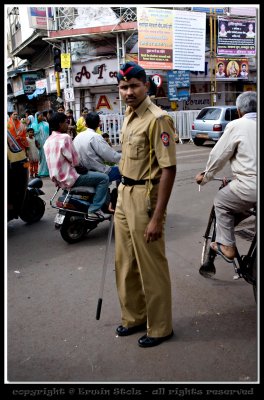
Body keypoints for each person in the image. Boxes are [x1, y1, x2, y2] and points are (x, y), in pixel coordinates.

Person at [114, 61, 176, 348]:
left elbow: (168, 169)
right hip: (124, 194)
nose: (128, 92)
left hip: (144, 198)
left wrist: (157, 218)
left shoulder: (157, 118)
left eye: (134, 86)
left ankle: (161, 327)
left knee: (151, 266)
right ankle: (135, 316)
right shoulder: (128, 115)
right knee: (125, 263)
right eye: (124, 87)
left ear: (145, 86)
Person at [195, 91, 256, 263]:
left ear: (238, 111)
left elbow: (218, 155)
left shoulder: (238, 125)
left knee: (221, 201)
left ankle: (227, 245)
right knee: (245, 206)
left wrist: (205, 177)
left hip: (250, 187)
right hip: (248, 188)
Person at [43, 112, 110, 220]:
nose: (68, 125)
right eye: (66, 122)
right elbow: (75, 159)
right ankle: (94, 210)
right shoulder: (65, 137)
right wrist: (79, 166)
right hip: (70, 177)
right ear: (60, 124)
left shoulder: (48, 141)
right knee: (104, 178)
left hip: (58, 180)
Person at [73, 111, 121, 184]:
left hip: (81, 172)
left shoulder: (77, 137)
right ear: (99, 123)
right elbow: (110, 156)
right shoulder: (95, 137)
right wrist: (123, 158)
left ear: (85, 124)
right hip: (97, 171)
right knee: (123, 170)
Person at [31, 111, 50, 177]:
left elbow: (48, 133)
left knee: (45, 157)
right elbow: (32, 134)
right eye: (40, 116)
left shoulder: (46, 124)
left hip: (45, 142)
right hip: (37, 143)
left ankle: (45, 171)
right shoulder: (33, 125)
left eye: (42, 116)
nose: (42, 117)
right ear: (37, 116)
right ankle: (37, 171)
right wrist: (36, 143)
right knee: (39, 158)